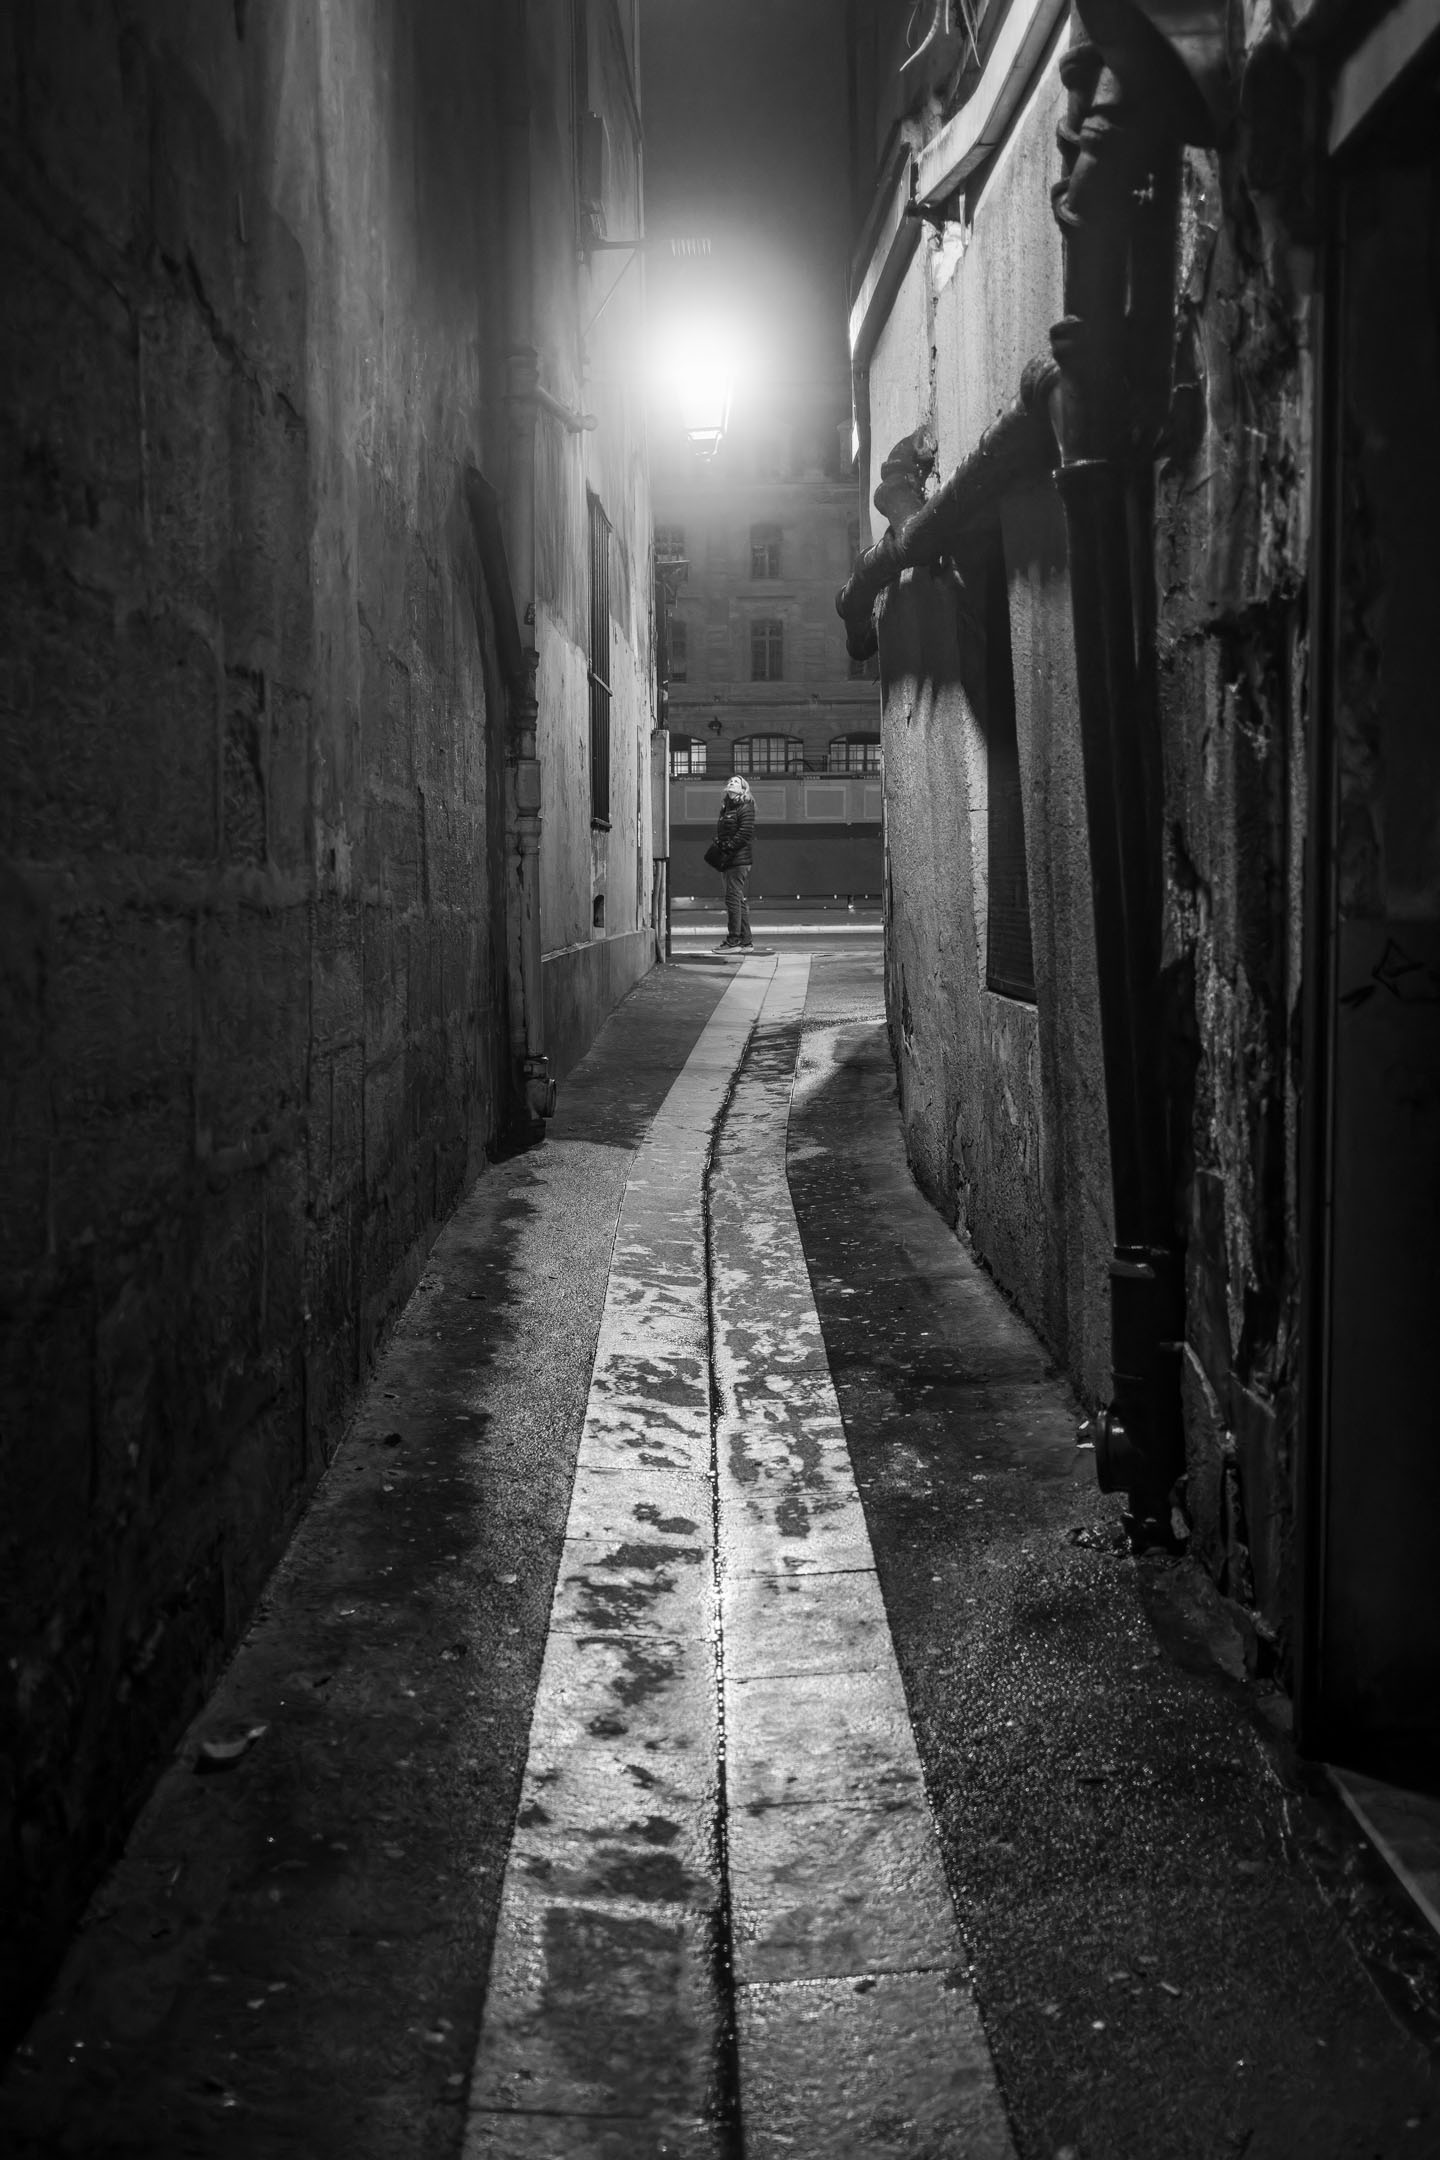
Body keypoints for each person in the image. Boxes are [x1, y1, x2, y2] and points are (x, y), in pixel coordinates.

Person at [714, 773, 755, 951]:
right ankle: (746, 942)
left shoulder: (745, 806)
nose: (731, 782)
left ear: (743, 788)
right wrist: (719, 842)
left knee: (732, 899)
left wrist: (728, 846)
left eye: (736, 782)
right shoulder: (726, 807)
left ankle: (734, 940)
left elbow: (745, 833)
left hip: (738, 860)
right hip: (730, 858)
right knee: (737, 899)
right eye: (730, 781)